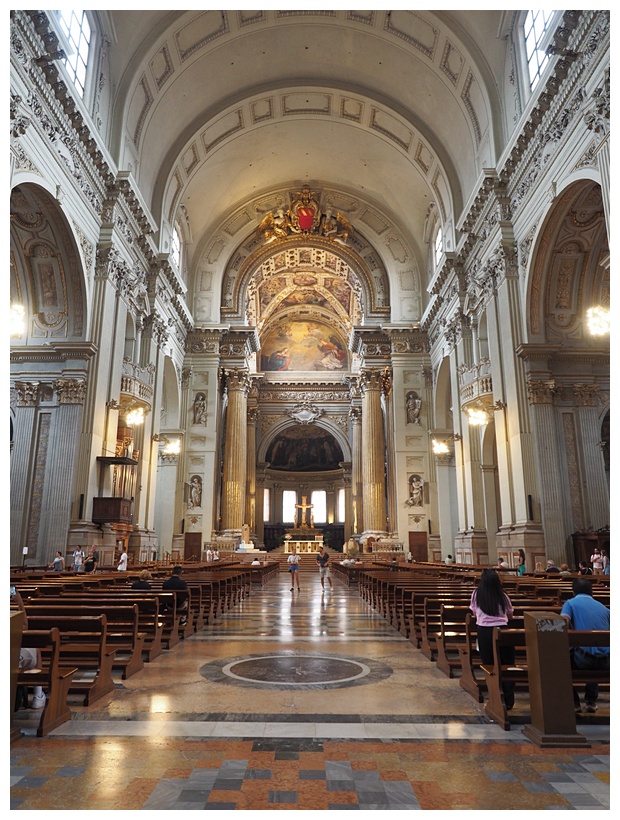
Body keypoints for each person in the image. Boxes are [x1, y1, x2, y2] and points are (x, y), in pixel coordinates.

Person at [561, 578, 610, 713]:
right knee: (595, 649)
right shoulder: (604, 608)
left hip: (584, 660)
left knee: (558, 664)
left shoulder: (570, 603)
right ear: (591, 592)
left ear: (573, 591)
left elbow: (563, 623)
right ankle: (591, 701)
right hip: (607, 662)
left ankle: (574, 702)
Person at [469, 569, 515, 710]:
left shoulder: (477, 594)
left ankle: (494, 697)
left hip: (485, 631)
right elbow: (510, 614)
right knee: (507, 664)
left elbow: (474, 613)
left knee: (488, 664)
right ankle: (508, 699)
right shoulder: (503, 595)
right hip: (503, 631)